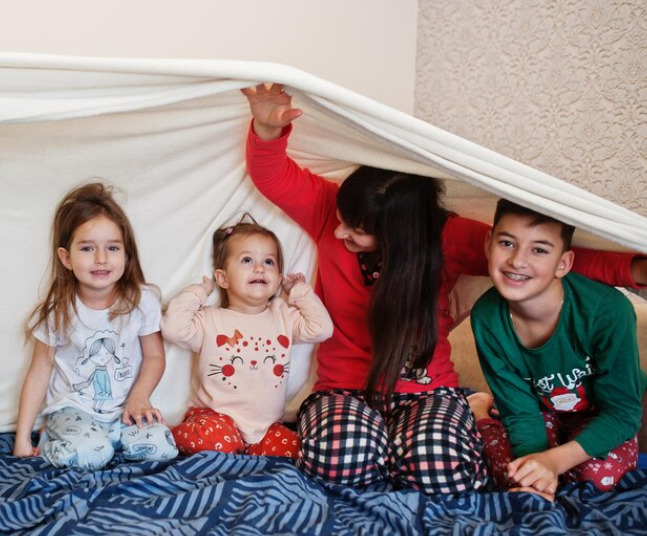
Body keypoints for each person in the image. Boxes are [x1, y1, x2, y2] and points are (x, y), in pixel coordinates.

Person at [241, 83, 647, 494]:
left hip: (428, 391)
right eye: (344, 221)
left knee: (440, 470)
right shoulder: (330, 210)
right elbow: (273, 176)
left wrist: (634, 269)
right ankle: (379, 447)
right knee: (338, 462)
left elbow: (540, 257)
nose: (341, 231)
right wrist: (267, 128)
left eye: (359, 232)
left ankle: (407, 445)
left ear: (401, 234)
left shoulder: (445, 237)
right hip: (345, 388)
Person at [469, 199, 645, 501]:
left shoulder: (607, 312)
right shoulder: (487, 317)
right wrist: (535, 475)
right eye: (508, 243)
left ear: (563, 263)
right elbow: (521, 415)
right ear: (488, 244)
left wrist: (554, 462)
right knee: (506, 473)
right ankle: (480, 410)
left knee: (596, 478)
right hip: (538, 411)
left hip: (603, 414)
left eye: (539, 249)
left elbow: (623, 412)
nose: (518, 261)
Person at [13, 182, 178, 470]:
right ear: (66, 257)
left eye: (112, 248)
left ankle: (109, 442)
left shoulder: (142, 301)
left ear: (126, 255)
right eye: (88, 248)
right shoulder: (58, 310)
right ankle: (55, 434)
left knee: (162, 448)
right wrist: (22, 438)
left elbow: (154, 356)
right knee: (92, 454)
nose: (101, 258)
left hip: (124, 409)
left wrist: (140, 396)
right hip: (74, 410)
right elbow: (39, 372)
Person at [162, 217, 333, 458]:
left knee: (297, 451)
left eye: (269, 262)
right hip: (216, 420)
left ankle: (247, 452)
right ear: (223, 278)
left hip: (265, 430)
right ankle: (171, 434)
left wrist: (298, 291)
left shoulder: (283, 316)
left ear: (278, 278)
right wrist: (199, 292)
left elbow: (322, 329)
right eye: (247, 260)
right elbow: (173, 328)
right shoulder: (211, 319)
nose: (259, 268)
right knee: (216, 441)